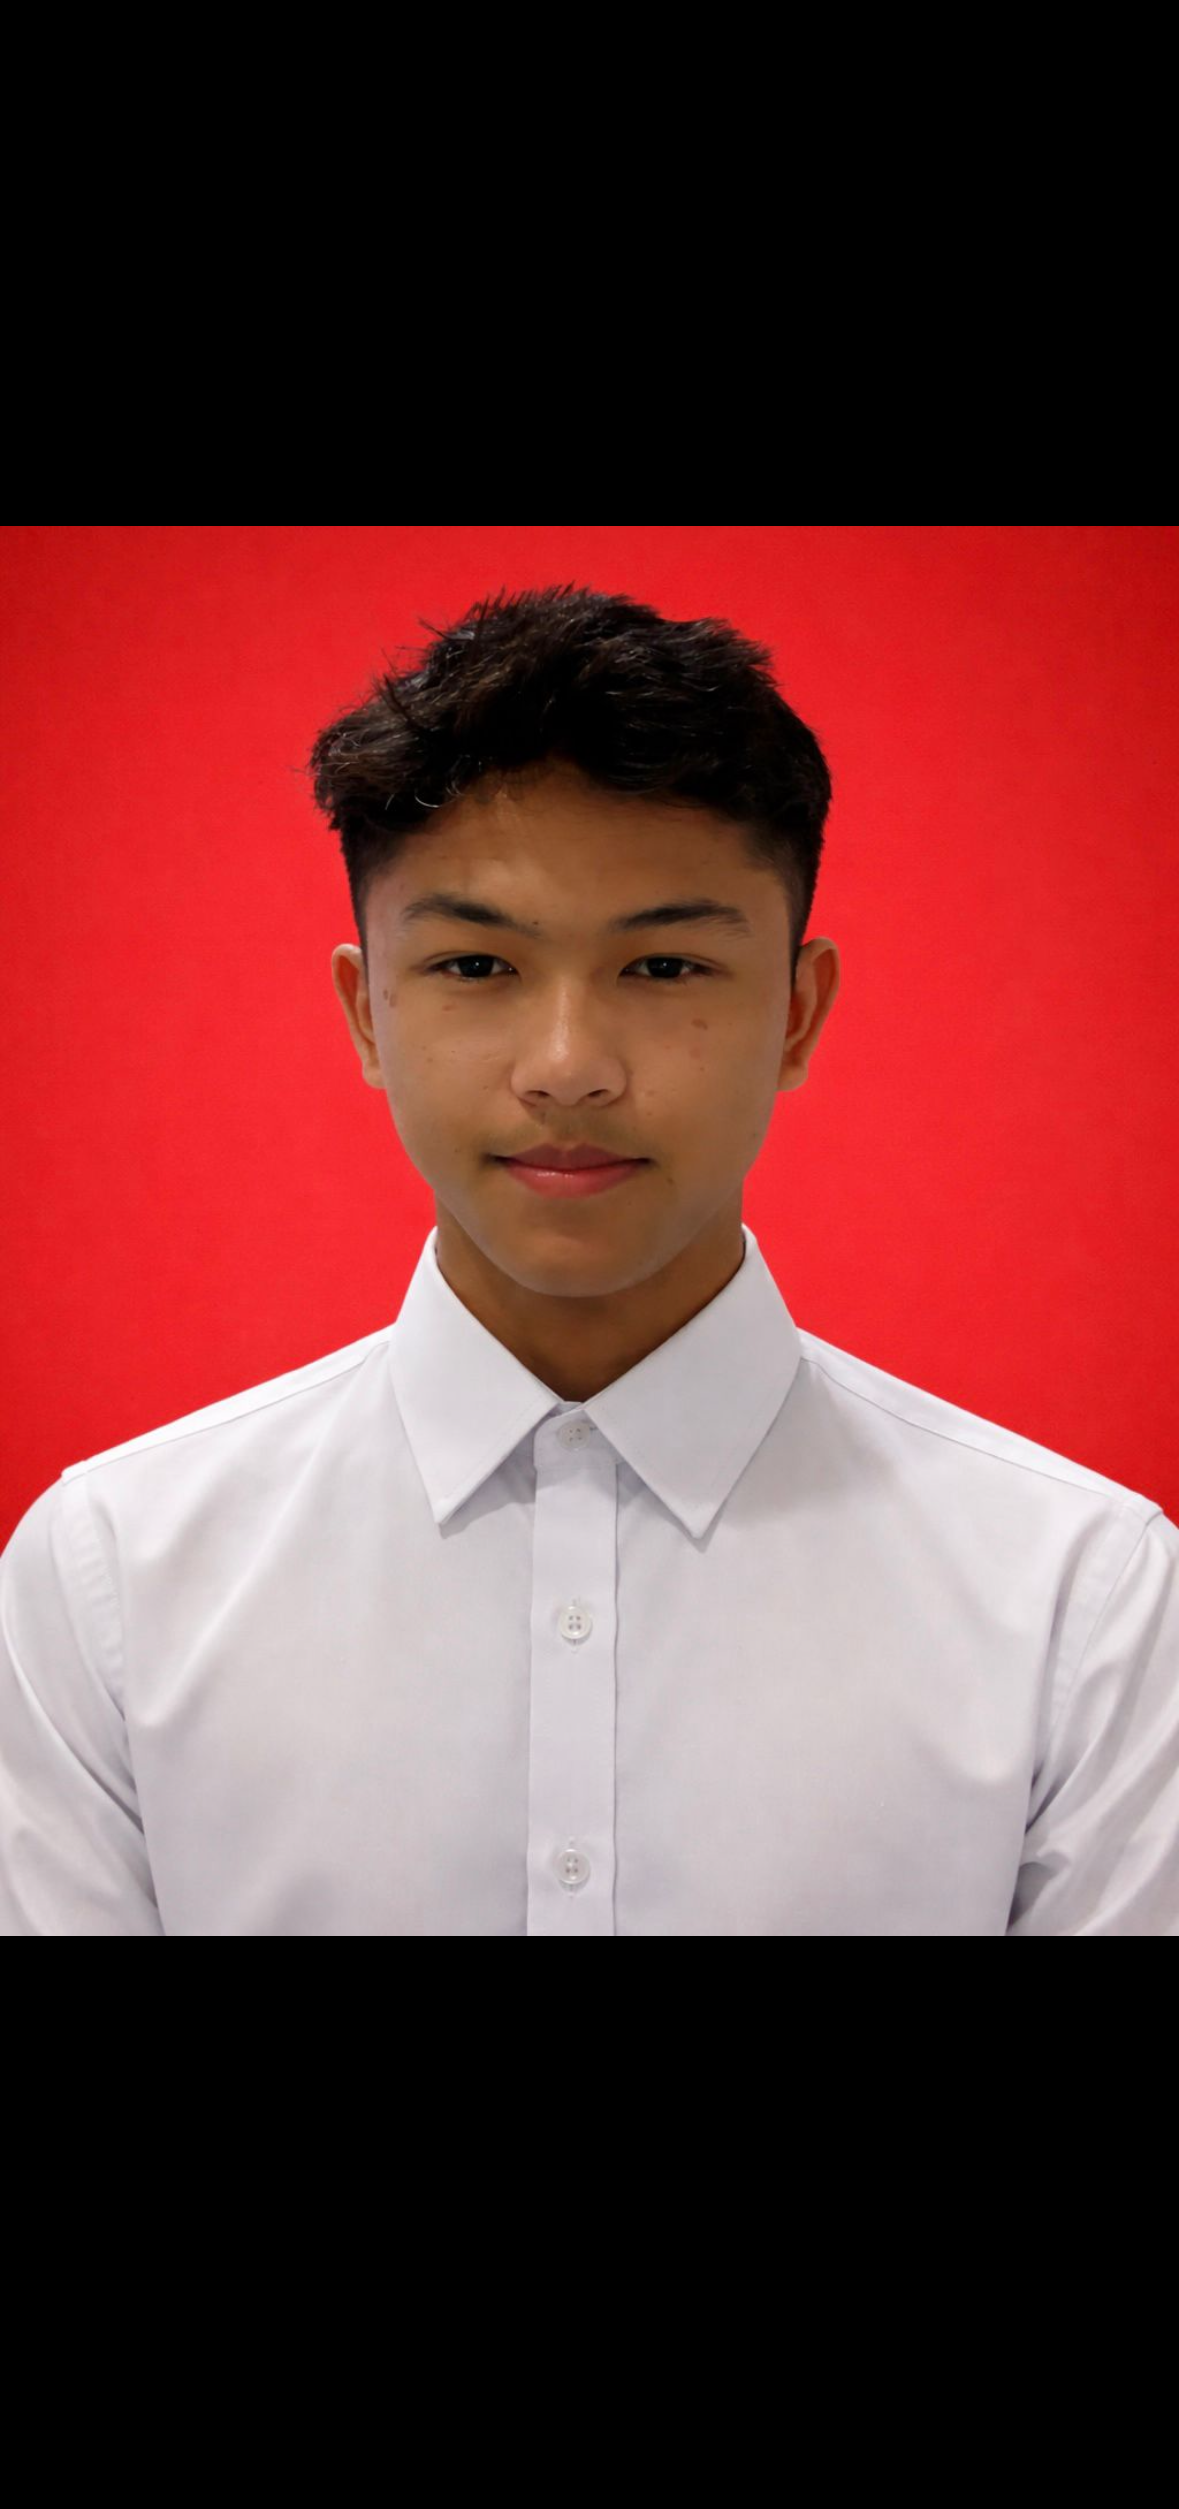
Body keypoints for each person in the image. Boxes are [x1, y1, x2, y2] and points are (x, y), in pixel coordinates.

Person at [2, 583, 1176, 1935]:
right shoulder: (109, 1579)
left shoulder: (1082, 1604)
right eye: (476, 967)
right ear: (367, 1013)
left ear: (797, 1014)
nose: (567, 1068)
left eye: (664, 968)